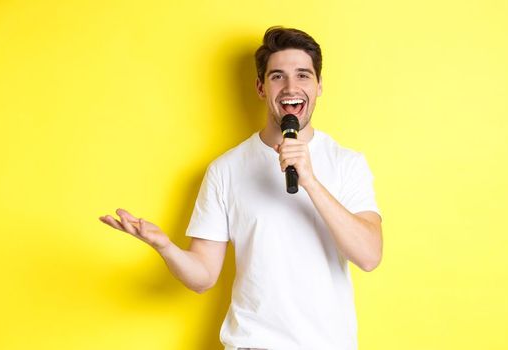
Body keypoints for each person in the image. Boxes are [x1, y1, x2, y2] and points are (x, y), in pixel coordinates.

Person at [99, 26, 383, 350]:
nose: (291, 86)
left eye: (303, 75)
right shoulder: (226, 170)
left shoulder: (347, 163)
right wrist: (165, 247)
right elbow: (203, 276)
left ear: (319, 86)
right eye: (278, 76)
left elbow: (369, 255)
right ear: (261, 87)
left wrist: (311, 182)